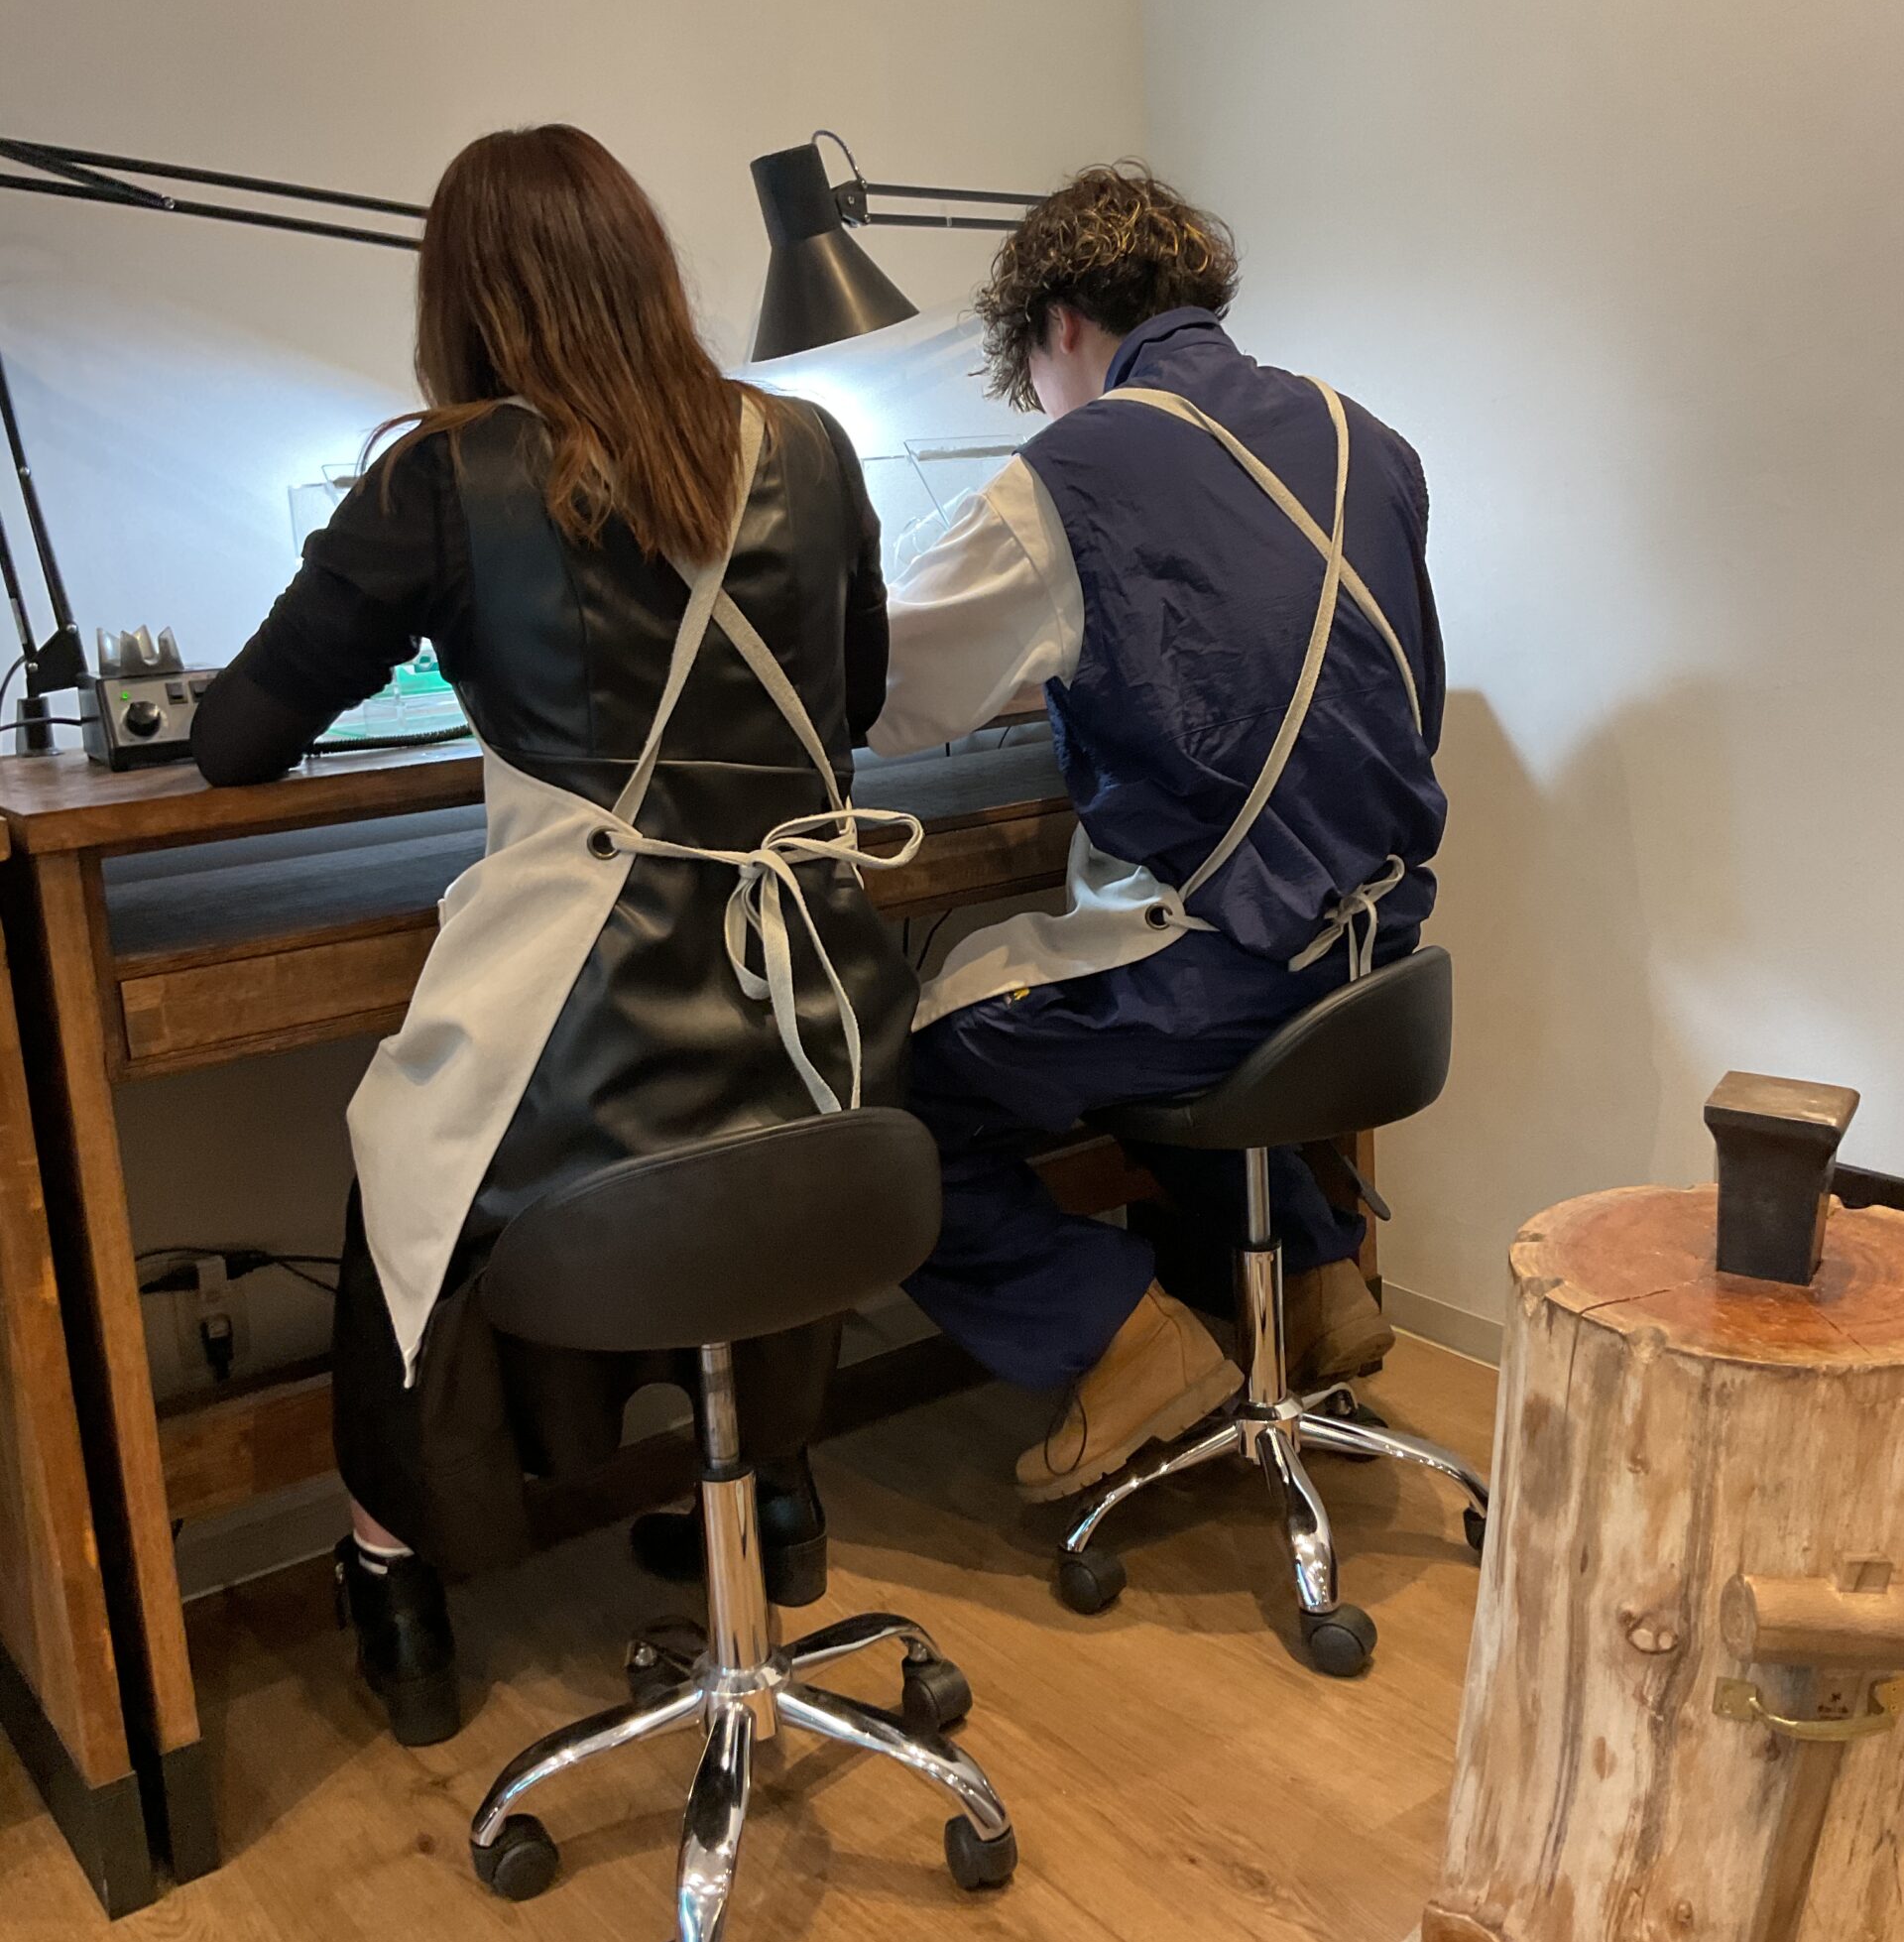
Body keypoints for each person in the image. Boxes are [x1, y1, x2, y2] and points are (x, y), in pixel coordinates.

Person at [192, 125, 916, 1743]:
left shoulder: (441, 479)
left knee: (406, 1195)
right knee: (746, 1157)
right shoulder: (810, 447)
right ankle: (773, 1492)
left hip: (591, 1035)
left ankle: (394, 1586)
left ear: (463, 296)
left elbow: (239, 736)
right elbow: (855, 702)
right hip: (815, 1006)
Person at [870, 165, 1447, 1502]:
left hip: (1229, 971)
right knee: (1147, 1022)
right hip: (1374, 948)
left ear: (1060, 324)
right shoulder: (1365, 437)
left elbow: (893, 698)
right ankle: (1316, 1278)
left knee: (897, 1099)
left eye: (1033, 375)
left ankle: (1120, 1341)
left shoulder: (1080, 466)